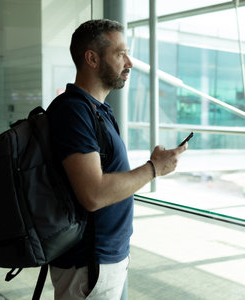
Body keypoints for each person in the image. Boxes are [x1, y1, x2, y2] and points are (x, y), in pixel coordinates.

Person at [47, 19, 187, 300]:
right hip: (88, 263)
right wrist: (154, 168)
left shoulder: (98, 110)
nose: (130, 62)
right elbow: (93, 194)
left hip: (104, 259)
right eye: (120, 53)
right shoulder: (74, 112)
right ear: (92, 58)